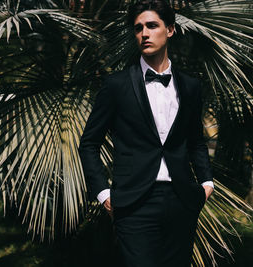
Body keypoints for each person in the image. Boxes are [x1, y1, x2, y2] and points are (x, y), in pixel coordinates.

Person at [78, 0, 214, 266]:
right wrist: (104, 195)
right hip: (133, 203)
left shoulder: (190, 86)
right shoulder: (116, 85)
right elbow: (89, 143)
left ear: (170, 30)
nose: (144, 33)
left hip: (182, 200)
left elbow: (196, 141)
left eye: (152, 25)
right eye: (139, 28)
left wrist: (207, 184)